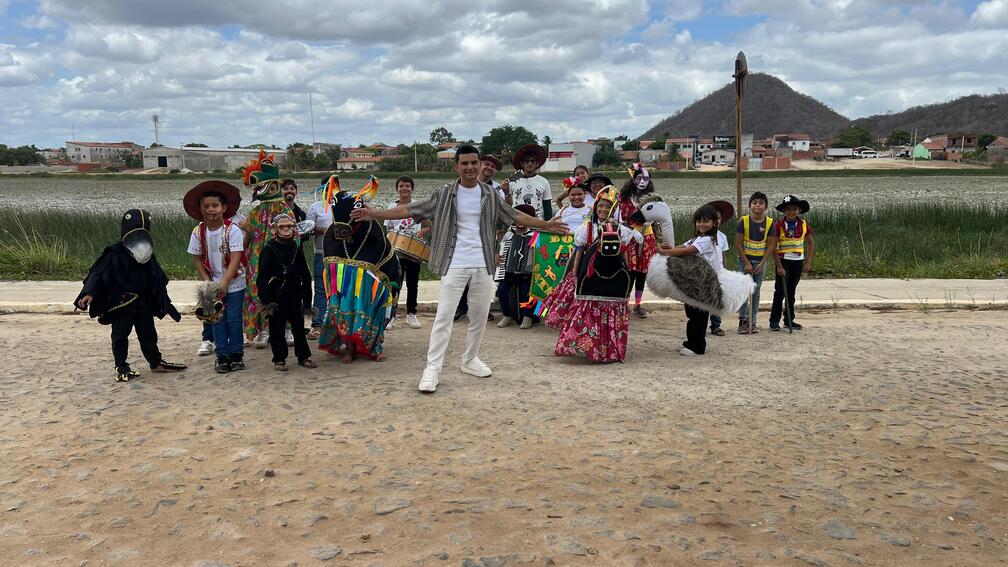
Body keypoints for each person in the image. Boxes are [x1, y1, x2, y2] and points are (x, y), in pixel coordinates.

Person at [351, 144, 568, 393]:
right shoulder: (443, 194)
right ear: (456, 166)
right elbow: (409, 209)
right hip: (454, 263)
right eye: (464, 163)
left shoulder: (490, 194)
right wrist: (376, 214)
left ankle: (470, 359)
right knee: (444, 317)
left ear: (479, 165)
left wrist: (546, 225)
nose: (470, 167)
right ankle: (432, 368)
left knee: (479, 316)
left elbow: (515, 215)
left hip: (483, 263)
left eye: (474, 162)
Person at [74, 209, 186, 382]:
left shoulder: (148, 254)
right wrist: (89, 293)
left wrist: (162, 299)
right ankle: (121, 366)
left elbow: (156, 277)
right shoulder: (115, 253)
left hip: (144, 302)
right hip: (122, 303)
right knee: (120, 335)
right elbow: (99, 274)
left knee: (148, 333)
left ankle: (155, 362)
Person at [554, 186, 641, 363]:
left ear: (614, 209)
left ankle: (607, 350)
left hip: (614, 276)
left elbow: (624, 252)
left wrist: (626, 272)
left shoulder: (622, 230)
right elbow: (579, 253)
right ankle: (592, 348)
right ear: (595, 207)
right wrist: (575, 274)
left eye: (608, 207)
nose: (603, 209)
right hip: (590, 275)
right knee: (590, 310)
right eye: (600, 206)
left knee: (609, 310)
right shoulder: (587, 229)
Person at [186, 181, 247, 373]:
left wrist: (226, 282)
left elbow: (236, 258)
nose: (211, 210)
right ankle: (222, 355)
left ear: (224, 208)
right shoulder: (198, 231)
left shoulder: (233, 229)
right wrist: (208, 282)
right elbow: (197, 259)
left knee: (234, 319)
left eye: (215, 205)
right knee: (215, 319)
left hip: (235, 281)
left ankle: (236, 354)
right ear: (201, 209)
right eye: (206, 206)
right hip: (211, 282)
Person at [656, 204, 723, 356]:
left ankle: (697, 346)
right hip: (696, 282)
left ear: (714, 223)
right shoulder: (698, 238)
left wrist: (665, 252)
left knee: (698, 316)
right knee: (692, 314)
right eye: (698, 221)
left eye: (705, 221)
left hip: (705, 284)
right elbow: (683, 246)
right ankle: (690, 342)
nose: (701, 224)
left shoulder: (708, 239)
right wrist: (667, 248)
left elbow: (688, 250)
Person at [241, 150, 292, 349]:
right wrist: (247, 231)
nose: (256, 190)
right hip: (257, 260)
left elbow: (293, 237)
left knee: (283, 290)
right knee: (258, 291)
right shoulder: (254, 213)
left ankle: (286, 329)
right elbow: (246, 243)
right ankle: (261, 330)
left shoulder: (285, 210)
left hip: (281, 257)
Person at [257, 213, 316, 371]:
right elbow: (262, 277)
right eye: (282, 227)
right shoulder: (268, 249)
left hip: (295, 293)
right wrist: (266, 301)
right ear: (274, 230)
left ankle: (303, 356)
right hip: (276, 295)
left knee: (299, 327)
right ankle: (279, 359)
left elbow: (305, 274)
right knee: (276, 328)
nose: (286, 230)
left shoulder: (296, 248)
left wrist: (307, 301)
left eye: (289, 226)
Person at [384, 175, 431, 329]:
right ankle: (391, 315)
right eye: (401, 186)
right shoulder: (392, 206)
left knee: (412, 284)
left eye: (407, 186)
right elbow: (388, 229)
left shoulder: (417, 206)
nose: (404, 189)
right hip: (396, 252)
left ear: (412, 189)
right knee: (394, 284)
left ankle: (411, 314)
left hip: (413, 252)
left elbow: (427, 225)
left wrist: (421, 232)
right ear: (397, 189)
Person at [616, 163, 658, 318]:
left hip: (647, 237)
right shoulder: (624, 198)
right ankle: (624, 303)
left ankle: (638, 304)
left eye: (646, 178)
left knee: (642, 272)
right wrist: (632, 230)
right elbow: (619, 219)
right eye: (639, 177)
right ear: (633, 179)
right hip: (630, 237)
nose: (642, 181)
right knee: (630, 271)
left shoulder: (653, 198)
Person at [768, 195, 815, 331]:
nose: (791, 212)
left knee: (791, 292)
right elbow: (773, 247)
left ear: (799, 210)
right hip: (783, 261)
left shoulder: (804, 225)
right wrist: (779, 266)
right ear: (783, 211)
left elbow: (811, 244)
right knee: (779, 292)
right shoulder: (778, 225)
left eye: (794, 209)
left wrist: (808, 262)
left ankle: (789, 320)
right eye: (788, 209)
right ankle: (774, 321)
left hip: (798, 262)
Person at [734, 192, 773, 334]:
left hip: (760, 262)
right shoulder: (743, 221)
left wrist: (762, 263)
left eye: (761, 203)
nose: (758, 205)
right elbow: (738, 244)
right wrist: (746, 263)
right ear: (750, 206)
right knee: (744, 290)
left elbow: (771, 245)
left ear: (766, 207)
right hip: (745, 261)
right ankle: (743, 320)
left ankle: (753, 320)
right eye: (755, 202)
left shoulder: (770, 223)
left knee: (756, 292)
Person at [495, 204, 537, 329]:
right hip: (509, 272)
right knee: (501, 290)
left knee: (527, 291)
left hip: (528, 274)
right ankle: (506, 315)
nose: (521, 222)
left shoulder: (535, 235)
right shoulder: (509, 235)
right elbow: (503, 251)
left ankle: (528, 316)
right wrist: (499, 257)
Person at [305, 176, 335, 340]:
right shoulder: (315, 207)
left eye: (334, 186)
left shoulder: (343, 206)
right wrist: (321, 230)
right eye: (328, 186)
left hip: (341, 257)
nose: (330, 189)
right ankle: (317, 325)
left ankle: (338, 325)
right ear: (322, 188)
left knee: (340, 290)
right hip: (321, 254)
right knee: (320, 289)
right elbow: (307, 228)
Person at [704, 201, 734, 337]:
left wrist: (725, 271)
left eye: (719, 218)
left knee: (717, 300)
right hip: (704, 273)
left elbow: (723, 254)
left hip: (718, 273)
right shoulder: (702, 237)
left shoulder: (722, 237)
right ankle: (701, 324)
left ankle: (716, 325)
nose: (716, 221)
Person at [508, 143, 553, 220]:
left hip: (537, 222)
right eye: (527, 161)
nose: (530, 163)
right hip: (517, 222)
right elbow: (507, 204)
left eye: (532, 161)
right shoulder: (512, 181)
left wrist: (548, 224)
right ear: (522, 164)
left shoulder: (544, 182)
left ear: (537, 164)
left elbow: (547, 206)